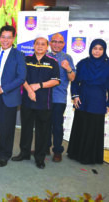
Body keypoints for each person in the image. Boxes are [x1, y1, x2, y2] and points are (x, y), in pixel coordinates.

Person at [12, 36, 60, 169]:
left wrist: (39, 85)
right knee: (26, 129)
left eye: (43, 44)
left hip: (44, 103)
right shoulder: (26, 60)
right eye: (37, 44)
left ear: (47, 47)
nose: (40, 46)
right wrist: (29, 90)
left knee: (42, 132)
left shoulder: (52, 62)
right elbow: (21, 77)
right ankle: (24, 153)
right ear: (33, 46)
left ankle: (39, 158)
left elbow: (56, 80)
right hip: (27, 101)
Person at [0, 25, 26, 167]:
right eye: (3, 37)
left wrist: (2, 89)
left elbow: (21, 77)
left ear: (13, 38)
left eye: (9, 37)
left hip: (8, 96)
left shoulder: (19, 55)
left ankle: (4, 155)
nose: (5, 40)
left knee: (6, 128)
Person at [67, 39, 109, 164]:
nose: (97, 51)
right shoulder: (83, 63)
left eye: (100, 49)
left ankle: (91, 157)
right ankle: (76, 154)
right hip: (83, 98)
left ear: (104, 50)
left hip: (99, 99)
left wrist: (108, 104)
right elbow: (74, 81)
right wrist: (75, 96)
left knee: (94, 127)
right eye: (94, 48)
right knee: (82, 124)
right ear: (90, 49)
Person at [47, 33, 75, 162]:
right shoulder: (44, 55)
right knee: (44, 124)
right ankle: (44, 147)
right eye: (54, 41)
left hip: (58, 97)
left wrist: (68, 68)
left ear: (63, 44)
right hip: (44, 97)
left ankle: (57, 150)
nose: (57, 44)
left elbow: (72, 78)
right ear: (50, 42)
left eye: (60, 42)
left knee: (57, 125)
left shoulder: (67, 57)